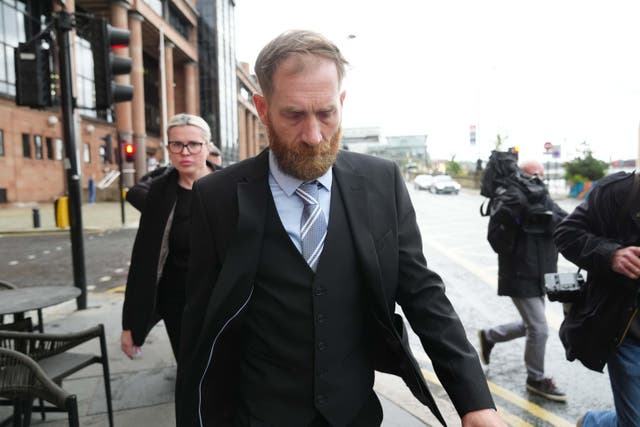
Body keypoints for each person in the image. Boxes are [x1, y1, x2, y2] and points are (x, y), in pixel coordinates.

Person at [176, 30, 505, 426]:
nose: (314, 136)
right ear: (263, 109)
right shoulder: (217, 197)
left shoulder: (382, 181)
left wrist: (475, 403)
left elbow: (424, 294)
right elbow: (198, 330)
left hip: (356, 415)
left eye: (327, 113)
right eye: (294, 115)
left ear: (342, 103)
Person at [121, 113, 216, 361]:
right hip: (178, 302)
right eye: (177, 144)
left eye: (194, 144)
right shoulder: (159, 193)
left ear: (207, 146)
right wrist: (130, 323)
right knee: (189, 369)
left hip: (220, 299)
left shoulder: (229, 187)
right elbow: (143, 259)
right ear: (168, 149)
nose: (185, 152)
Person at [554, 171, 640, 427]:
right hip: (629, 334)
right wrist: (611, 255)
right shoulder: (620, 191)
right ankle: (592, 422)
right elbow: (566, 233)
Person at [478, 160, 568, 402]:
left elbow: (565, 221)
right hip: (519, 272)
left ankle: (490, 336)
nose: (538, 178)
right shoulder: (512, 197)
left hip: (542, 272)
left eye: (540, 173)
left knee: (531, 324)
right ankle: (535, 379)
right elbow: (497, 238)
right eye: (534, 173)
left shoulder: (542, 196)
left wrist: (549, 220)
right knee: (539, 327)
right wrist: (519, 215)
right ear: (523, 174)